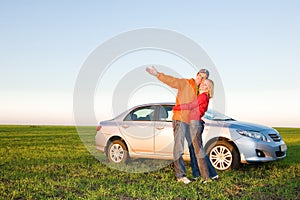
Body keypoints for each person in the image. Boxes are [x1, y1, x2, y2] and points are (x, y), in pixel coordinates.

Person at [146, 66, 208, 184]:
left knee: (193, 148)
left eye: (204, 78)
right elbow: (172, 80)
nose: (201, 79)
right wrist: (157, 74)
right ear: (197, 75)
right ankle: (180, 175)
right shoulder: (186, 83)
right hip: (180, 120)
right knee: (179, 147)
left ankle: (196, 174)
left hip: (191, 123)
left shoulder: (200, 92)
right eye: (200, 76)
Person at [173, 78, 219, 182]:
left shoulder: (203, 96)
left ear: (209, 88)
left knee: (198, 151)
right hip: (195, 123)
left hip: (194, 123)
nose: (203, 85)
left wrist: (178, 107)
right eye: (202, 83)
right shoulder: (202, 96)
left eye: (206, 85)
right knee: (198, 150)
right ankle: (210, 175)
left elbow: (191, 105)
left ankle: (206, 177)